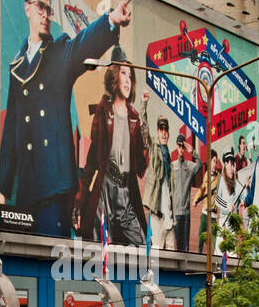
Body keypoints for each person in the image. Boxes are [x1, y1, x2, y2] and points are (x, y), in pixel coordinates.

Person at [0, 0, 132, 238]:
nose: (46, 15)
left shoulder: (59, 52)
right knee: (23, 267)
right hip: (27, 189)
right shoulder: (17, 66)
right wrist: (3, 188)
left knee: (51, 264)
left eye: (49, 10)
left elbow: (83, 43)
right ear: (27, 8)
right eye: (40, 7)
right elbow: (11, 133)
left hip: (55, 184)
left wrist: (111, 20)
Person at [79, 53, 147, 245]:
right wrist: (80, 200)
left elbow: (141, 169)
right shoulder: (103, 109)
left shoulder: (135, 117)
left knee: (143, 246)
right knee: (97, 247)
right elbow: (92, 158)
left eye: (130, 75)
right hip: (106, 188)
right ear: (115, 77)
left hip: (126, 194)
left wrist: (145, 139)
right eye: (124, 73)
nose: (128, 80)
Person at [141, 101, 176, 250]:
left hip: (169, 217)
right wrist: (144, 104)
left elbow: (170, 190)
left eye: (165, 130)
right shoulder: (154, 149)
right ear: (157, 132)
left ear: (168, 133)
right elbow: (144, 130)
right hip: (157, 214)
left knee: (171, 258)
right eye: (160, 129)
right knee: (157, 256)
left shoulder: (169, 158)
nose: (163, 132)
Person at [168, 126, 204, 251]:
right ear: (176, 147)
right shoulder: (172, 166)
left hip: (186, 213)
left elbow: (200, 164)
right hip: (176, 213)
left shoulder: (189, 166)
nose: (181, 149)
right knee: (178, 247)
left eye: (183, 146)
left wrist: (192, 151)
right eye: (179, 146)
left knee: (186, 248)